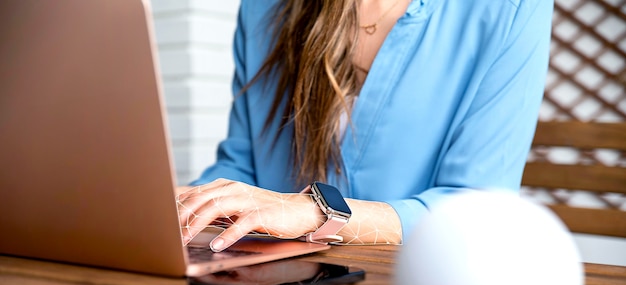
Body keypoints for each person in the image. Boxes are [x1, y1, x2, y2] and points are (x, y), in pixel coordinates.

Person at [176, 0, 554, 252]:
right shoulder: (263, 8)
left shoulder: (510, 9)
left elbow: (476, 212)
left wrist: (315, 212)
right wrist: (182, 204)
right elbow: (243, 165)